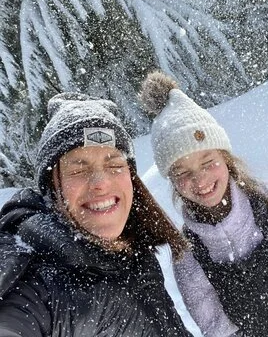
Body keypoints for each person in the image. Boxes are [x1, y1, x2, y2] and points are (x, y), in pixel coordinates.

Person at [0, 92, 193, 337]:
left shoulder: (137, 255)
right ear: (52, 187)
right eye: (79, 170)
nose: (100, 182)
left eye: (115, 165)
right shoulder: (38, 284)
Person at [139, 70, 268, 337]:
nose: (199, 179)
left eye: (207, 162)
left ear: (226, 158)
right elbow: (216, 328)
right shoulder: (188, 255)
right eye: (182, 172)